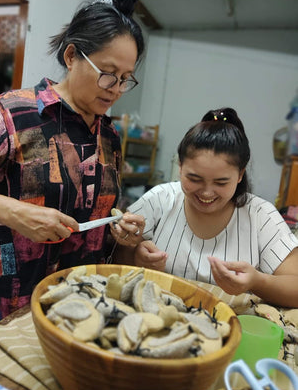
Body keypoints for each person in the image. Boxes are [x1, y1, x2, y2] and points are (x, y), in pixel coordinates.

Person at [0, 0, 145, 332]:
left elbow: (95, 214)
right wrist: (15, 212)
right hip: (9, 305)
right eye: (108, 72)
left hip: (81, 310)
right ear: (71, 56)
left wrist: (119, 229)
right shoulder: (12, 113)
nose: (115, 88)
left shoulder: (109, 137)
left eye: (126, 79)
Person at [114, 108, 298, 308]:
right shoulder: (160, 199)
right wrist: (134, 254)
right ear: (181, 166)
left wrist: (258, 281)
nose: (207, 193)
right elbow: (115, 262)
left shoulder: (261, 216)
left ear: (240, 175)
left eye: (220, 183)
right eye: (194, 179)